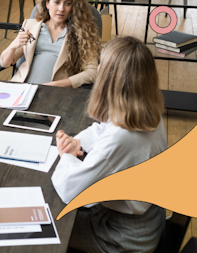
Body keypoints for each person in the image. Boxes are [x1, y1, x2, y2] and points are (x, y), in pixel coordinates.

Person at [51, 36, 167, 253]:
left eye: (101, 63)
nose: (99, 67)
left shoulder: (121, 138)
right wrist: (77, 143)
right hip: (149, 220)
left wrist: (65, 154)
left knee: (47, 229)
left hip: (122, 237)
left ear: (110, 77)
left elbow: (70, 190)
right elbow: (103, 128)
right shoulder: (147, 113)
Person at [0, 0, 100, 88]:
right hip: (23, 88)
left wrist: (56, 85)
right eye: (57, 2)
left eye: (67, 3)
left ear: (73, 7)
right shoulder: (30, 26)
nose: (61, 9)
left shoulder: (82, 33)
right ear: (47, 3)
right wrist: (14, 45)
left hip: (56, 94)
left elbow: (92, 72)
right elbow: (5, 63)